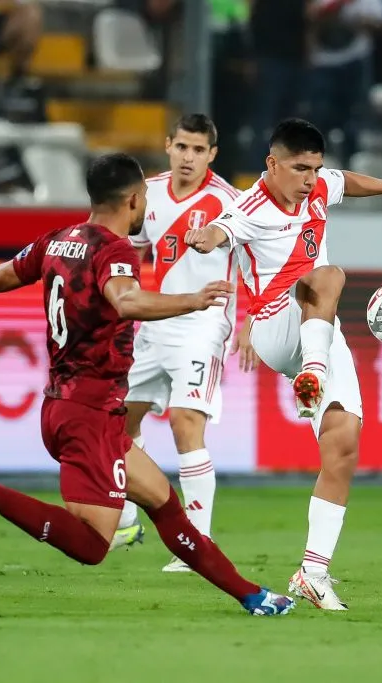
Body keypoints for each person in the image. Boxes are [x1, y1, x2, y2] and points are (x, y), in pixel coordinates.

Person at [0, 153, 293, 617]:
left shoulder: (58, 241)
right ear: (131, 199)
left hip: (71, 407)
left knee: (166, 505)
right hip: (88, 413)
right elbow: (126, 301)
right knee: (91, 545)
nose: (144, 206)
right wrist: (193, 299)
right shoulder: (114, 250)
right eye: (143, 199)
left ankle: (253, 596)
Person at [184, 118, 382, 610]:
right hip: (278, 326)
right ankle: (313, 373)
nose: (310, 179)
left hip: (320, 324)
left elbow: (346, 181)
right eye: (300, 168)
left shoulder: (317, 185)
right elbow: (221, 229)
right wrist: (205, 237)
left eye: (315, 168)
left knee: (343, 443)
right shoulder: (250, 206)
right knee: (330, 273)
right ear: (272, 165)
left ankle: (312, 572)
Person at [112, 115, 241, 571]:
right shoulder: (147, 194)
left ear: (212, 155)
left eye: (198, 150)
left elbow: (259, 258)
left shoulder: (231, 203)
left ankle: (196, 542)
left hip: (203, 326)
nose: (188, 158)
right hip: (157, 322)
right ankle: (128, 517)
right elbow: (128, 246)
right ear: (168, 146)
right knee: (116, 424)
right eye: (181, 147)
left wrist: (251, 321)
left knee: (186, 422)